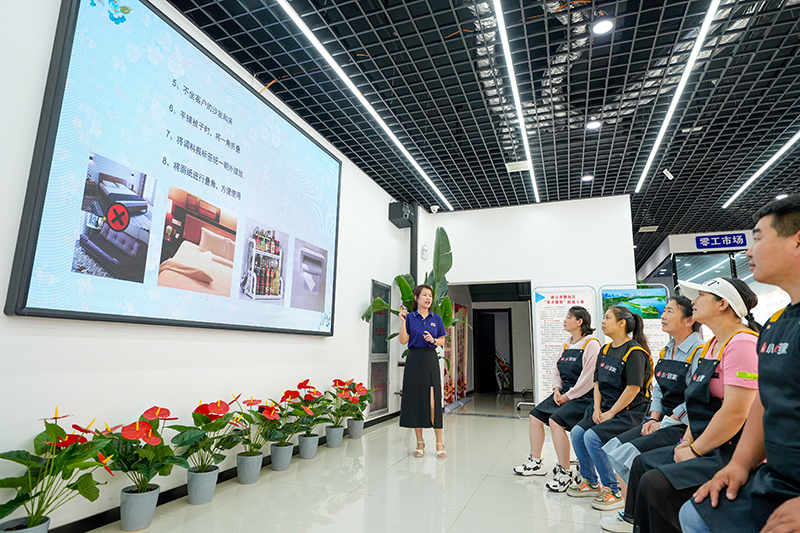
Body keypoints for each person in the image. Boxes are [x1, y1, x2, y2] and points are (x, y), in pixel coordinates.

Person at [681, 194, 800, 533]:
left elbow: (736, 410)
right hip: (777, 476)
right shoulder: (777, 324)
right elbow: (766, 397)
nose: (749, 251)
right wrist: (740, 464)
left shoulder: (743, 341)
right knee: (694, 516)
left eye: (758, 239)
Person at [622, 277, 760, 533]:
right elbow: (696, 403)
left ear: (722, 304)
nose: (693, 302)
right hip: (704, 439)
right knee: (641, 464)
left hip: (733, 447)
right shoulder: (712, 345)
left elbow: (735, 413)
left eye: (701, 296)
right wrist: (686, 442)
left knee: (656, 483)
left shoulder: (742, 344)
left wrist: (695, 450)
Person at [600, 296, 704, 532]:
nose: (662, 316)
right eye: (663, 310)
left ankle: (632, 515)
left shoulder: (700, 350)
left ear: (689, 320)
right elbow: (658, 389)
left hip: (682, 425)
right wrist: (654, 417)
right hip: (661, 419)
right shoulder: (667, 349)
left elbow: (695, 398)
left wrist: (666, 421)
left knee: (632, 455)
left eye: (669, 311)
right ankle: (631, 508)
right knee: (614, 447)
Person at [566, 306, 653, 512]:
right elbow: (597, 383)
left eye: (607, 318)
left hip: (628, 411)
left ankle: (613, 490)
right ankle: (590, 481)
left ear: (622, 323)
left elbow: (633, 389)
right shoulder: (605, 350)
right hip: (603, 407)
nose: (603, 322)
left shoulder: (634, 352)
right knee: (577, 432)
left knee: (592, 437)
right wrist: (596, 408)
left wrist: (611, 413)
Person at [513, 306, 600, 492]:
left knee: (555, 421)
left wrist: (568, 396)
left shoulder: (591, 344)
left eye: (569, 317)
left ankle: (565, 472)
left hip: (583, 397)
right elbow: (557, 371)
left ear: (580, 322)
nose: (565, 320)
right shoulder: (567, 344)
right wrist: (557, 390)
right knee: (535, 416)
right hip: (564, 393)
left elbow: (588, 379)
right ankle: (536, 462)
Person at [398, 284, 448, 459]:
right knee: (416, 402)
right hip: (414, 360)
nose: (428, 298)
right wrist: (402, 322)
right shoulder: (410, 318)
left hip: (430, 359)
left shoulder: (436, 318)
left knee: (433, 403)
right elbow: (403, 340)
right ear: (416, 298)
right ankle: (420, 443)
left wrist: (433, 340)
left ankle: (439, 443)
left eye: (430, 296)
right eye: (425, 295)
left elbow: (442, 340)